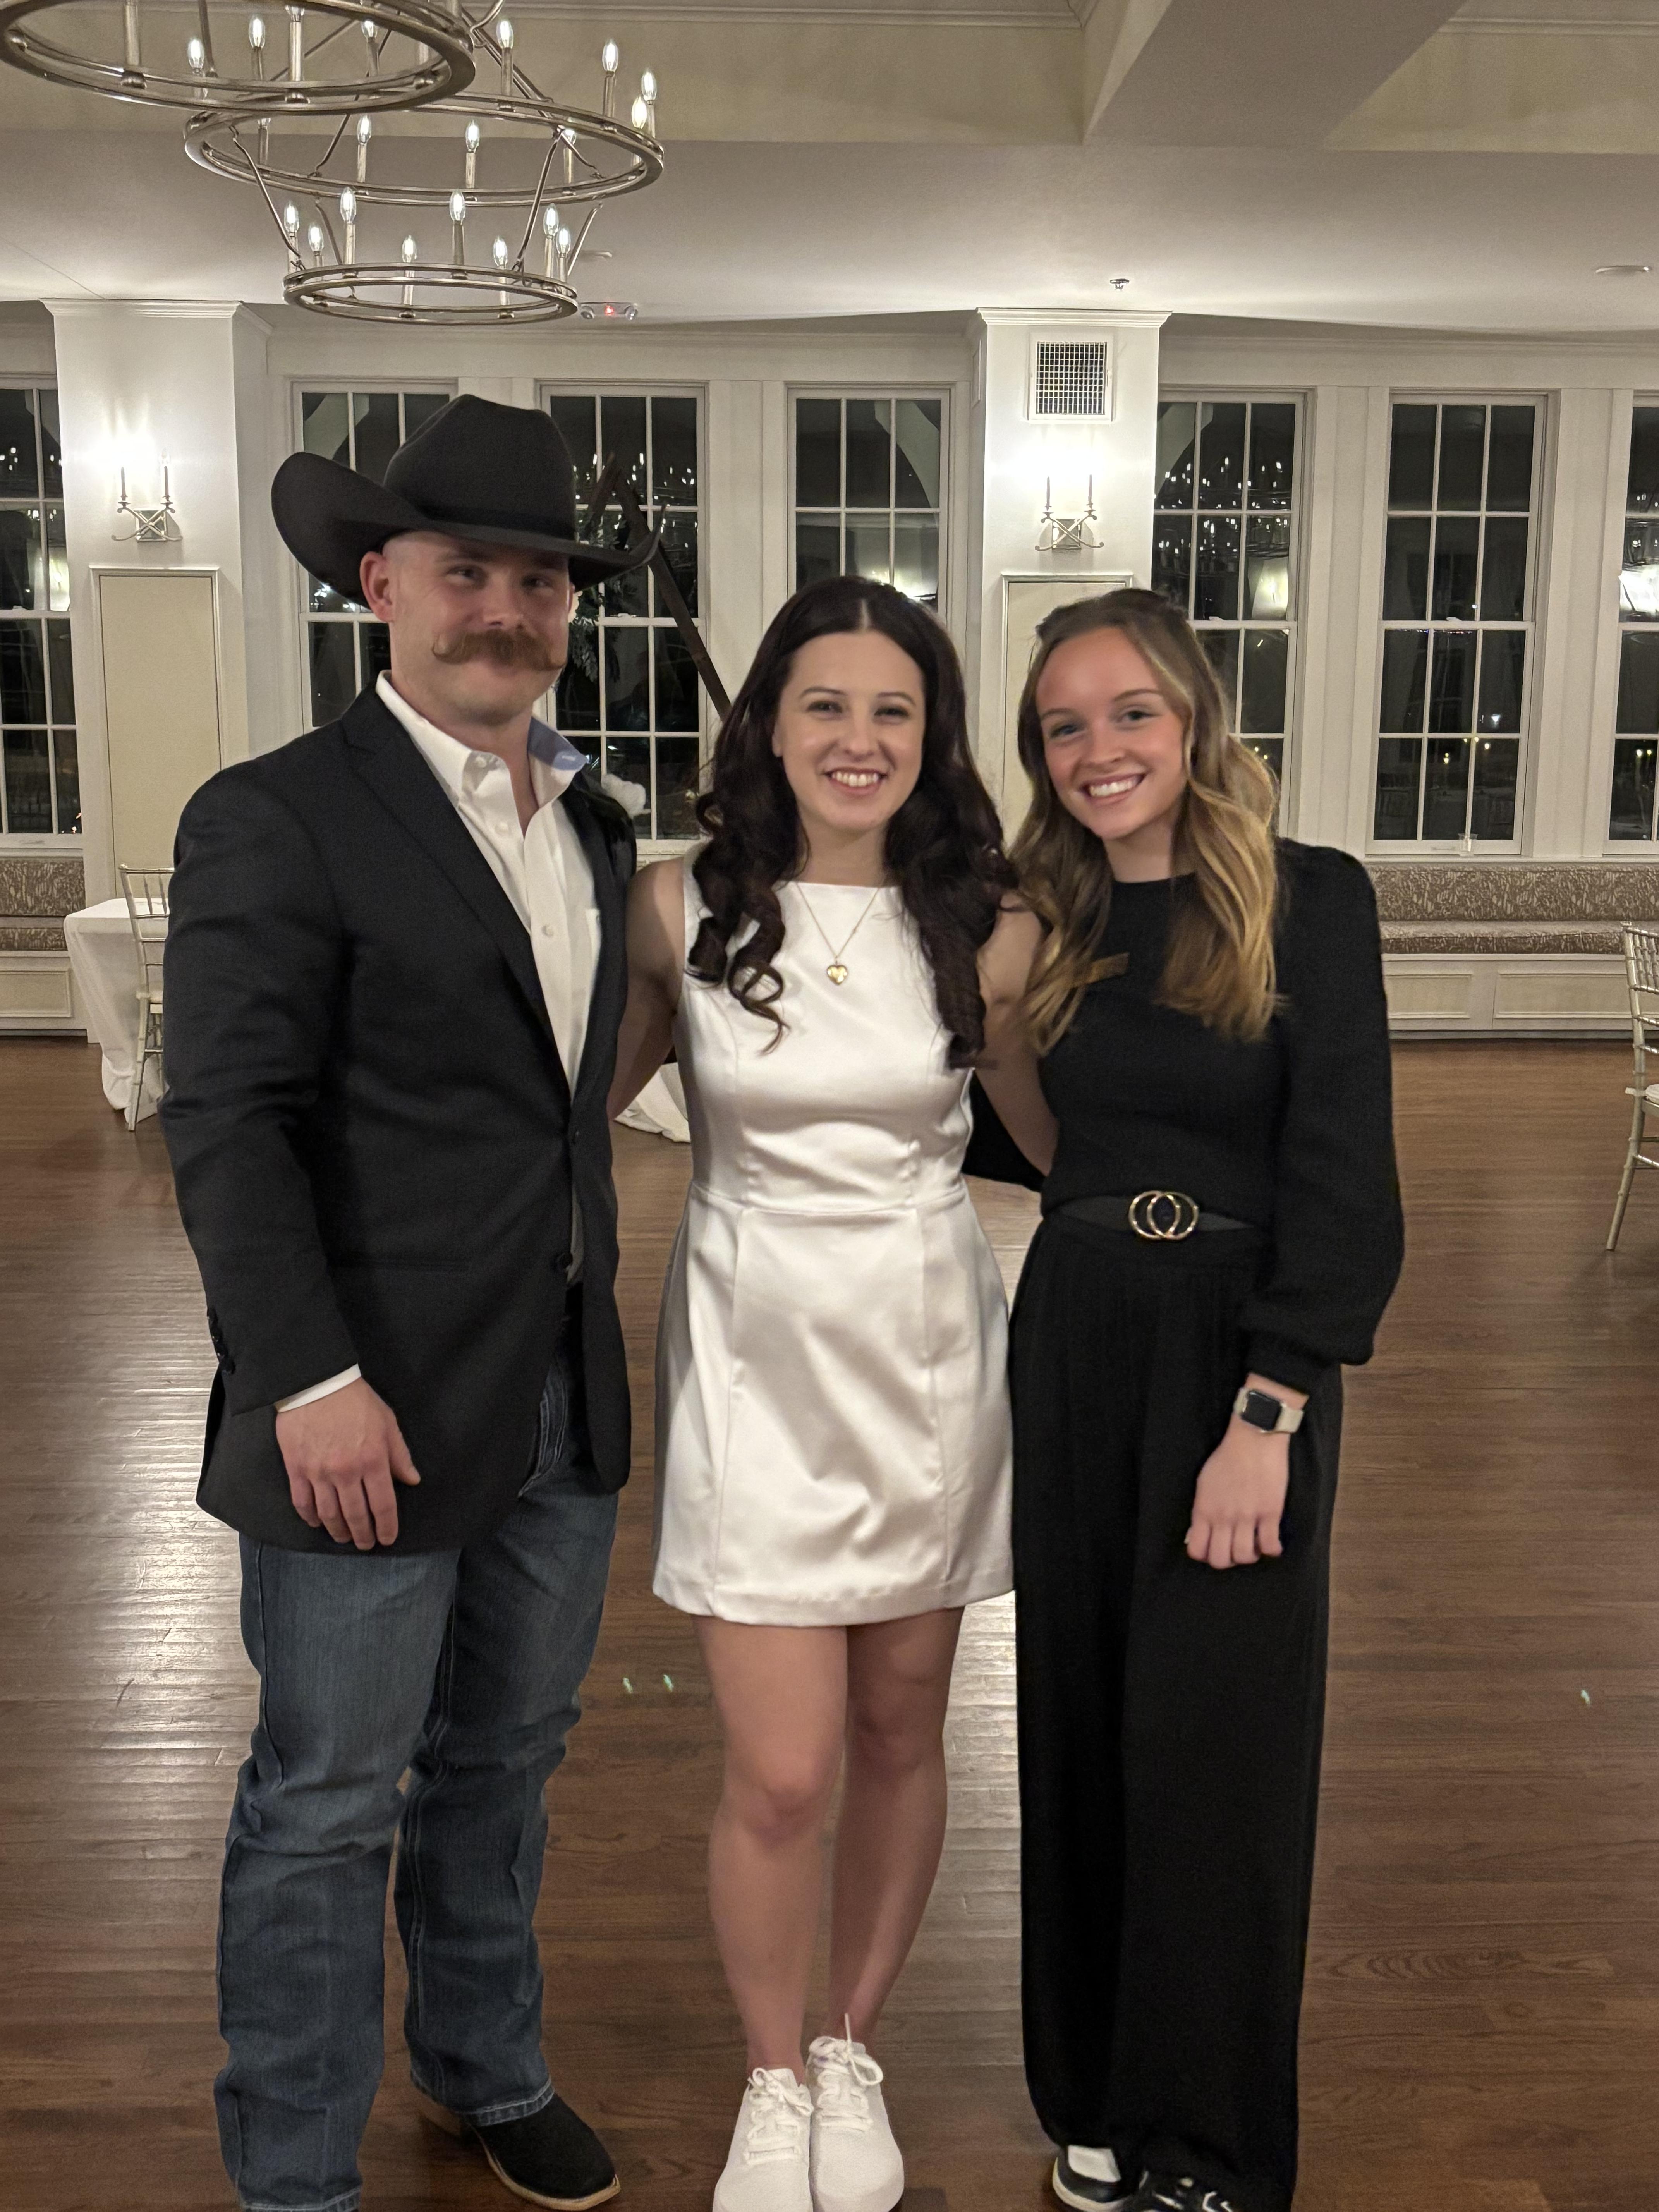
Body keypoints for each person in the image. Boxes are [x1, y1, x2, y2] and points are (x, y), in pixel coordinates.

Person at [160, 396, 652, 2212]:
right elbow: (228, 1124)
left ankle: (485, 2065)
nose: (506, 610)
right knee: (324, 1799)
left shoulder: (596, 828)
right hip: (360, 1403)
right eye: (468, 574)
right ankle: (295, 2174)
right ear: (380, 585)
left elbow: (565, 1109)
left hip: (561, 1395)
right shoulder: (278, 816)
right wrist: (307, 1381)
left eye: (541, 581)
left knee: (506, 1758)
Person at [607, 575, 1053, 2212]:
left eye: (892, 710)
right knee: (784, 1771)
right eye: (825, 705)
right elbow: (564, 1112)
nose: (858, 739)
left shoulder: (993, 927)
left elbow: (1060, 1143)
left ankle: (851, 2046)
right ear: (770, 726)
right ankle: (770, 2076)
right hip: (751, 1347)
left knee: (897, 1730)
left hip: (926, 1351)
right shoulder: (675, 910)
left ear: (932, 736)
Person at [998, 589, 1403, 2212]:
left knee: (1216, 1748)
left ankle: (1207, 2145)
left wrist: (1273, 1406)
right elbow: (1021, 1137)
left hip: (1238, 1350)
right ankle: (1097, 2093)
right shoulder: (1042, 914)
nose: (1098, 750)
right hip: (1076, 1327)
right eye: (1063, 726)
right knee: (1081, 1724)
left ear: (1195, 719)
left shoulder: (1311, 901)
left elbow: (1346, 1175)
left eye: (1130, 713)